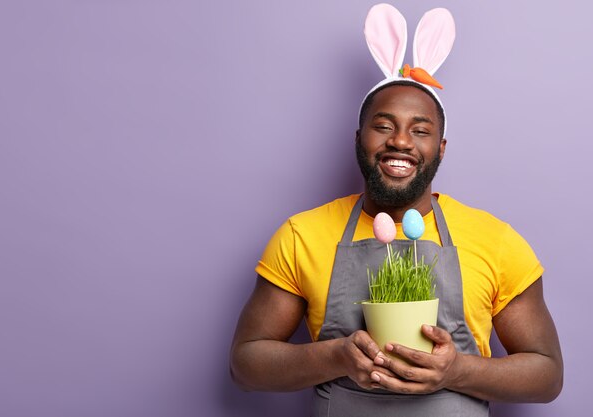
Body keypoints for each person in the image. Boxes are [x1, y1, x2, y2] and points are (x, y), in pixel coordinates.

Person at [230, 4, 563, 416]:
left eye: (420, 130)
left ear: (440, 149)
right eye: (383, 126)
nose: (400, 142)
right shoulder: (303, 234)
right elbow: (246, 366)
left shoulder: (495, 241)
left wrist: (455, 371)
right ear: (358, 138)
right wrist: (337, 357)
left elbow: (547, 376)